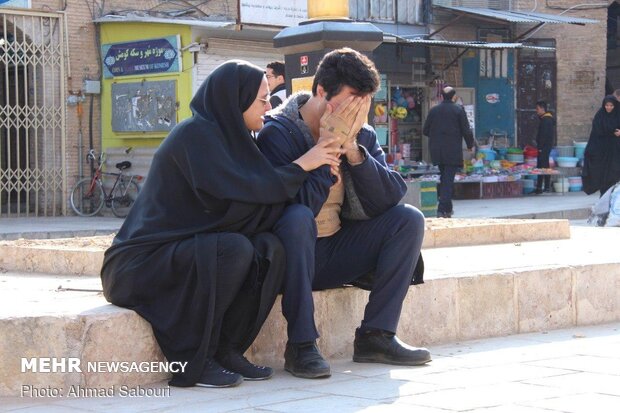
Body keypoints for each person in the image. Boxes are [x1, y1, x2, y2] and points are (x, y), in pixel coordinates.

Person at [100, 60, 341, 389]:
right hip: (141, 264)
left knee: (270, 249)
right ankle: (195, 358)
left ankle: (226, 348)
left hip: (186, 251)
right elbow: (243, 200)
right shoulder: (195, 136)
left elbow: (261, 203)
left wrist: (317, 169)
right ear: (234, 99)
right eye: (261, 99)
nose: (269, 106)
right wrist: (302, 165)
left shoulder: (239, 141)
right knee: (234, 248)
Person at [256, 47, 429, 380]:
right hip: (288, 260)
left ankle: (376, 337)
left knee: (408, 219)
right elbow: (286, 210)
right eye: (352, 99)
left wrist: (352, 151)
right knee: (298, 219)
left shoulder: (359, 132)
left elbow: (390, 197)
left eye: (364, 101)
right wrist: (325, 153)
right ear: (322, 92)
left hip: (336, 251)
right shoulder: (277, 132)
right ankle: (301, 345)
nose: (357, 110)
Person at [422, 86, 474, 218]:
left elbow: (425, 130)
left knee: (445, 177)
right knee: (448, 180)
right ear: (453, 97)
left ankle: (448, 208)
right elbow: (466, 131)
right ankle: (441, 209)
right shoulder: (458, 110)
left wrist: (437, 135)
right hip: (452, 151)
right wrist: (470, 145)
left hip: (437, 151)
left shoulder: (434, 111)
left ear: (442, 97)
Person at [583, 95, 620, 196]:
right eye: (607, 105)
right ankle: (604, 197)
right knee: (602, 174)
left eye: (611, 105)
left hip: (615, 151)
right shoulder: (600, 115)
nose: (609, 108)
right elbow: (596, 132)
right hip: (602, 151)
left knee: (614, 173)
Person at [533, 100, 555, 194]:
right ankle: (540, 187)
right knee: (542, 166)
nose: (536, 110)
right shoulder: (545, 119)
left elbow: (544, 135)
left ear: (542, 109)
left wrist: (541, 147)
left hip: (544, 147)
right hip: (545, 147)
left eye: (537, 109)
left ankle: (545, 187)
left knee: (544, 166)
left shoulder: (546, 120)